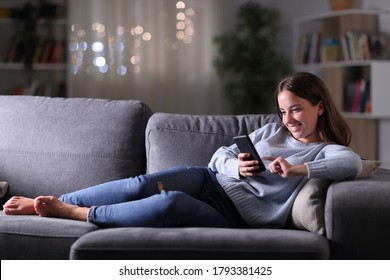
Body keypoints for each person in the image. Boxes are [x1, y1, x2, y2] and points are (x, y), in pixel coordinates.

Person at [2, 72, 362, 229]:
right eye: (284, 110)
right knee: (140, 184)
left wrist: (298, 170)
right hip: (211, 179)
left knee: (168, 203)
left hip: (234, 215)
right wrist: (238, 166)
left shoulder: (325, 152)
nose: (289, 119)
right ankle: (43, 202)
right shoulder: (271, 129)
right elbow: (218, 156)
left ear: (319, 107)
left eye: (296, 109)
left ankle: (77, 213)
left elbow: (351, 162)